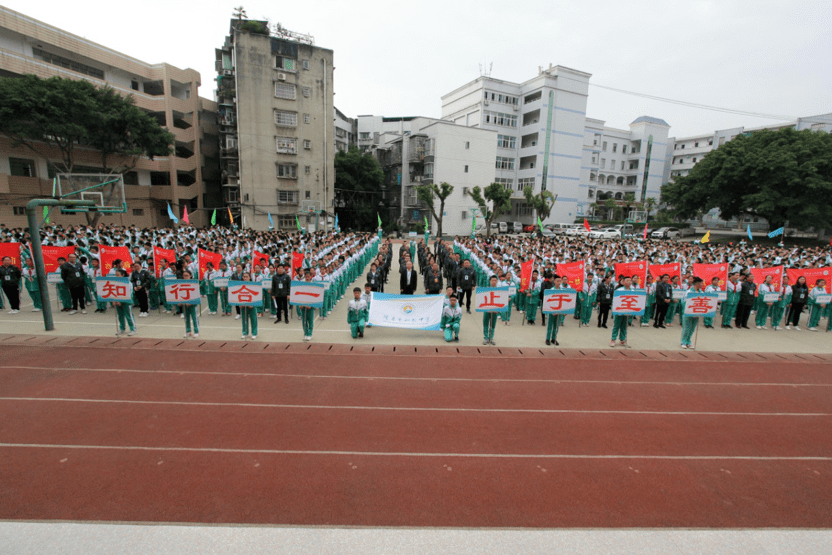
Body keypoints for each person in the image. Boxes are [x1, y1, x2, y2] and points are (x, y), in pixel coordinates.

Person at [680, 277, 705, 348]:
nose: (702, 285)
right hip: (688, 313)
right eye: (701, 283)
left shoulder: (701, 292)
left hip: (697, 314)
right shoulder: (689, 292)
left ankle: (688, 341)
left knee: (692, 329)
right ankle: (683, 342)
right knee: (687, 328)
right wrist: (689, 312)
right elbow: (684, 302)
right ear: (697, 284)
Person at [112, 268, 136, 337]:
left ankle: (133, 329)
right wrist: (114, 300)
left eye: (118, 275)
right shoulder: (115, 283)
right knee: (120, 316)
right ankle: (122, 328)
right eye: (115, 275)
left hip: (126, 302)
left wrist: (121, 301)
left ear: (122, 275)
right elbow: (113, 292)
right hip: (118, 302)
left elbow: (128, 293)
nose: (116, 276)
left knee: (129, 316)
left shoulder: (128, 283)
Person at [609, 275, 632, 348]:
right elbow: (615, 300)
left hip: (627, 311)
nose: (629, 282)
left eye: (630, 280)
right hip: (619, 311)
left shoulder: (633, 291)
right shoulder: (619, 290)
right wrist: (615, 310)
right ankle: (613, 339)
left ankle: (622, 339)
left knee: (624, 326)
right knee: (616, 325)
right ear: (624, 282)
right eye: (627, 280)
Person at [179, 269, 200, 338]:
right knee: (186, 318)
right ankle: (188, 331)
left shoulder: (194, 283)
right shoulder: (181, 283)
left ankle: (196, 331)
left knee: (194, 318)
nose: (185, 277)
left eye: (187, 275)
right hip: (185, 304)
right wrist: (179, 302)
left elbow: (196, 294)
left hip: (192, 304)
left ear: (190, 275)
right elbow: (179, 293)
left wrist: (191, 302)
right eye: (184, 276)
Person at [239, 271, 258, 340]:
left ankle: (254, 333)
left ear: (250, 277)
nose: (245, 278)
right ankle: (245, 333)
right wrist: (239, 304)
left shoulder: (253, 285)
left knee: (253, 320)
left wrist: (253, 304)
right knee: (244, 320)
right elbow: (237, 296)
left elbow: (257, 296)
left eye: (247, 276)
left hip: (252, 305)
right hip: (243, 306)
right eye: (244, 277)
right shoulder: (239, 285)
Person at [545, 274, 563, 346]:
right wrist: (551, 311)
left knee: (556, 326)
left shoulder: (562, 290)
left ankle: (554, 338)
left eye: (560, 281)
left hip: (559, 311)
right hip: (552, 311)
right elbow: (548, 301)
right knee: (550, 325)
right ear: (554, 281)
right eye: (557, 281)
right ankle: (547, 339)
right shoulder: (551, 290)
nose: (559, 282)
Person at [298, 269, 316, 341]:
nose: (307, 278)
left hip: (310, 306)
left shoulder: (313, 285)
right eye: (306, 276)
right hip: (303, 305)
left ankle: (310, 334)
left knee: (310, 320)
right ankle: (305, 333)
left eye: (309, 276)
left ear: (311, 277)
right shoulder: (302, 284)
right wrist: (300, 304)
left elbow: (315, 296)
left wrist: (311, 305)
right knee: (304, 321)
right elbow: (299, 295)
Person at [482, 275, 499, 345]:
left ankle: (491, 338)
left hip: (495, 311)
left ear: (497, 281)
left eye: (495, 280)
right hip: (487, 310)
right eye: (492, 280)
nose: (494, 282)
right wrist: (486, 308)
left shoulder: (500, 291)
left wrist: (497, 309)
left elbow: (501, 301)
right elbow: (482, 300)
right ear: (490, 281)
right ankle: (486, 337)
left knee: (493, 325)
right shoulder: (486, 290)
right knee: (485, 323)